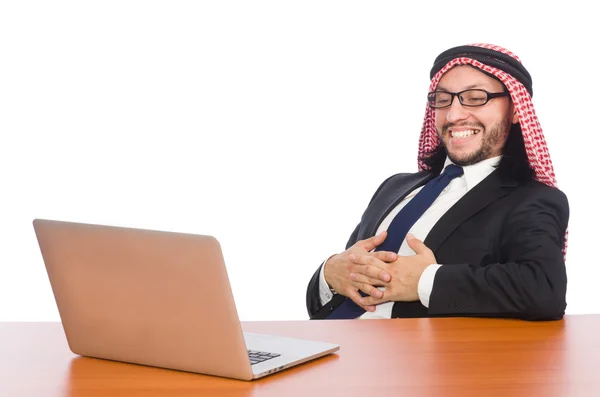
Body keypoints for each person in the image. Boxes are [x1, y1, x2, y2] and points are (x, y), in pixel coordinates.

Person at [305, 43, 569, 321]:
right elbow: (338, 287)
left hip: (407, 359)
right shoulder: (394, 187)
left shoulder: (531, 199)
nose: (454, 115)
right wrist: (330, 272)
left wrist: (424, 281)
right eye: (443, 100)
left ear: (516, 109)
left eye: (476, 97)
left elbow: (543, 289)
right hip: (329, 347)